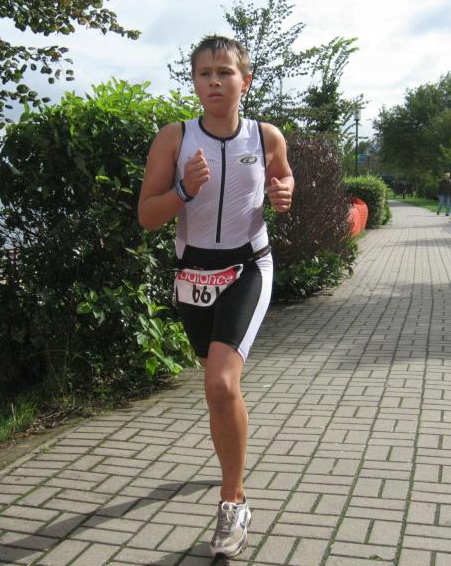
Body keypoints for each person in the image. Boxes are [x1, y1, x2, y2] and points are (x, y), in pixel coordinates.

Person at [138, 35, 294, 558]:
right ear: (194, 82)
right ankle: (232, 459)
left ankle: (233, 500)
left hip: (248, 265)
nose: (214, 82)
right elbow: (147, 216)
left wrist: (285, 192)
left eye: (225, 72)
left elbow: (283, 177)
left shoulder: (265, 135)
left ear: (244, 81)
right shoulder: (174, 138)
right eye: (204, 73)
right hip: (194, 273)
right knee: (217, 385)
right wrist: (183, 190)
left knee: (221, 383)